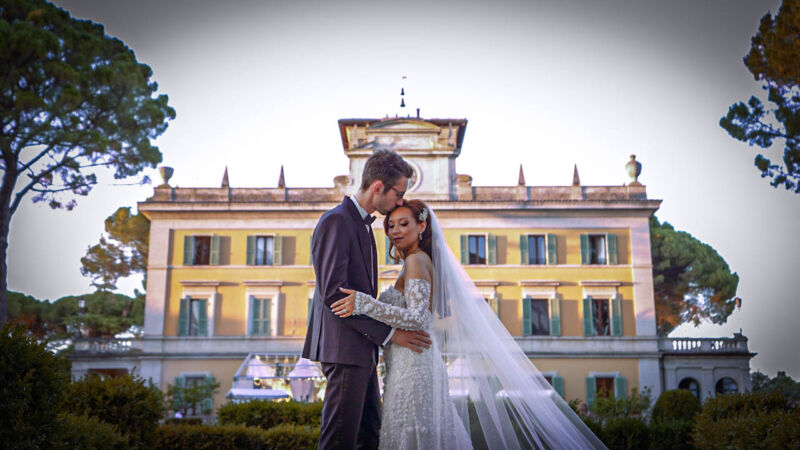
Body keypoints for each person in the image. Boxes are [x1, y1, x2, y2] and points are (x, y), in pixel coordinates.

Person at [332, 200, 607, 450]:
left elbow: (417, 317)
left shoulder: (417, 260)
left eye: (404, 224)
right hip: (408, 363)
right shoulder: (414, 262)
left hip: (414, 366)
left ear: (422, 226)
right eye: (390, 225)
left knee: (413, 433)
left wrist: (364, 303)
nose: (395, 231)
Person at [302, 149, 432, 450]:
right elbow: (336, 294)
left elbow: (360, 296)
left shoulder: (362, 225)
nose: (400, 202)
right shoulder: (336, 221)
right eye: (398, 194)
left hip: (361, 349)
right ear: (378, 187)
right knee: (339, 441)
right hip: (344, 349)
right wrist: (389, 334)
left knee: (367, 436)